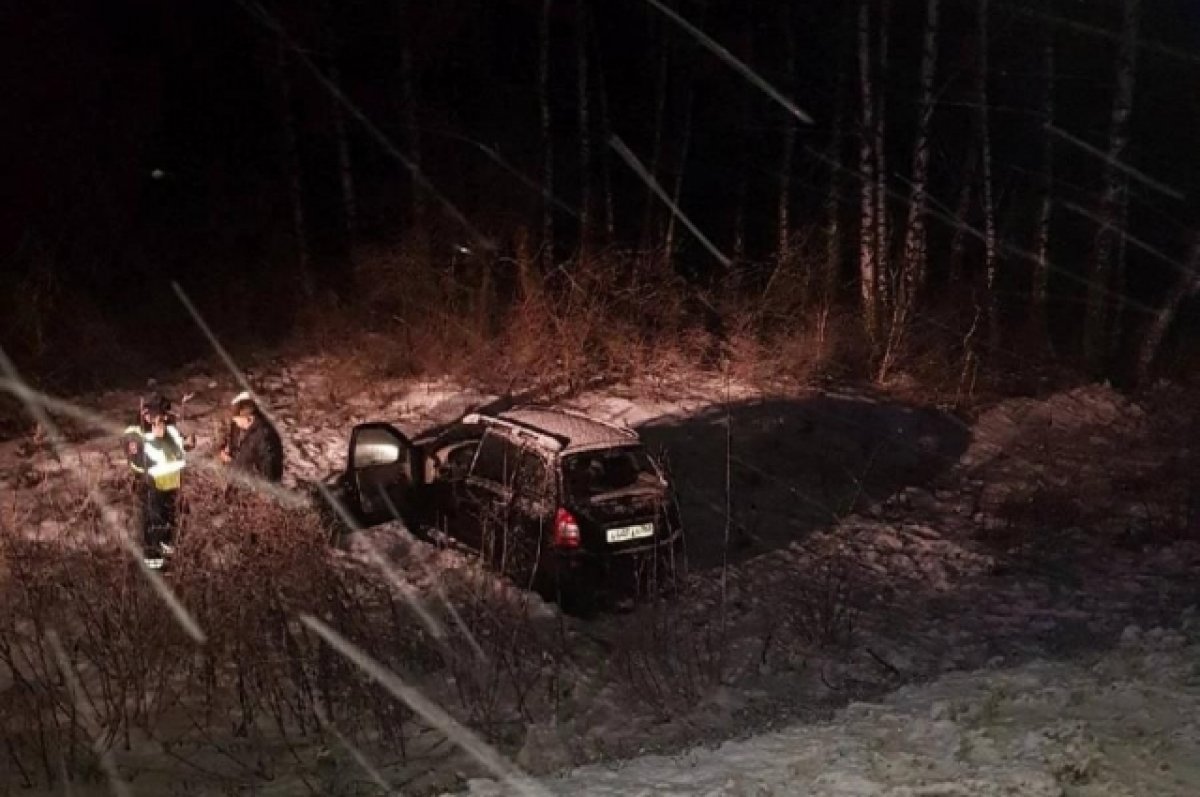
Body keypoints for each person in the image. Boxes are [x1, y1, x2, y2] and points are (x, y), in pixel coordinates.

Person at [124, 393, 195, 568]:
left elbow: (176, 451)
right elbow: (138, 463)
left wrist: (187, 444)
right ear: (147, 415)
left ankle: (172, 562)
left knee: (172, 526)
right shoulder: (135, 432)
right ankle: (155, 569)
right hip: (152, 487)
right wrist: (158, 439)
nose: (165, 417)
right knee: (154, 527)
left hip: (173, 485)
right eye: (161, 414)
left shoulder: (168, 427)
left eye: (166, 414)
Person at [220, 391, 284, 483]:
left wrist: (231, 463)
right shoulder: (252, 430)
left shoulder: (264, 437)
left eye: (237, 420)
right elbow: (245, 458)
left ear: (248, 418)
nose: (236, 424)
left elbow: (268, 475)